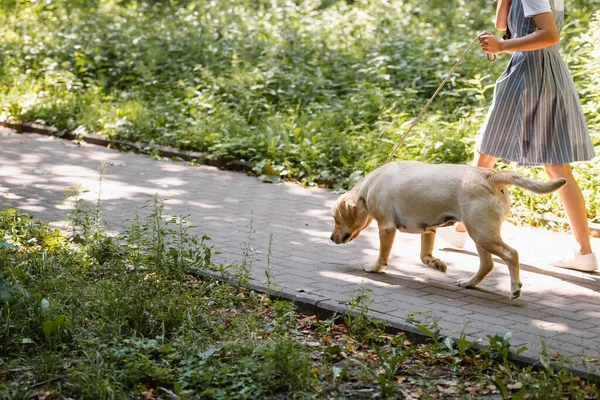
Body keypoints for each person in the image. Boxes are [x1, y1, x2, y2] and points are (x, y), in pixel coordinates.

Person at [438, 0, 597, 272]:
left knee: (487, 151)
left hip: (528, 75)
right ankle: (584, 252)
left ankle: (463, 229)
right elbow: (503, 25)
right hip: (548, 73)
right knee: (554, 165)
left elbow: (549, 34)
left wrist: (501, 47)